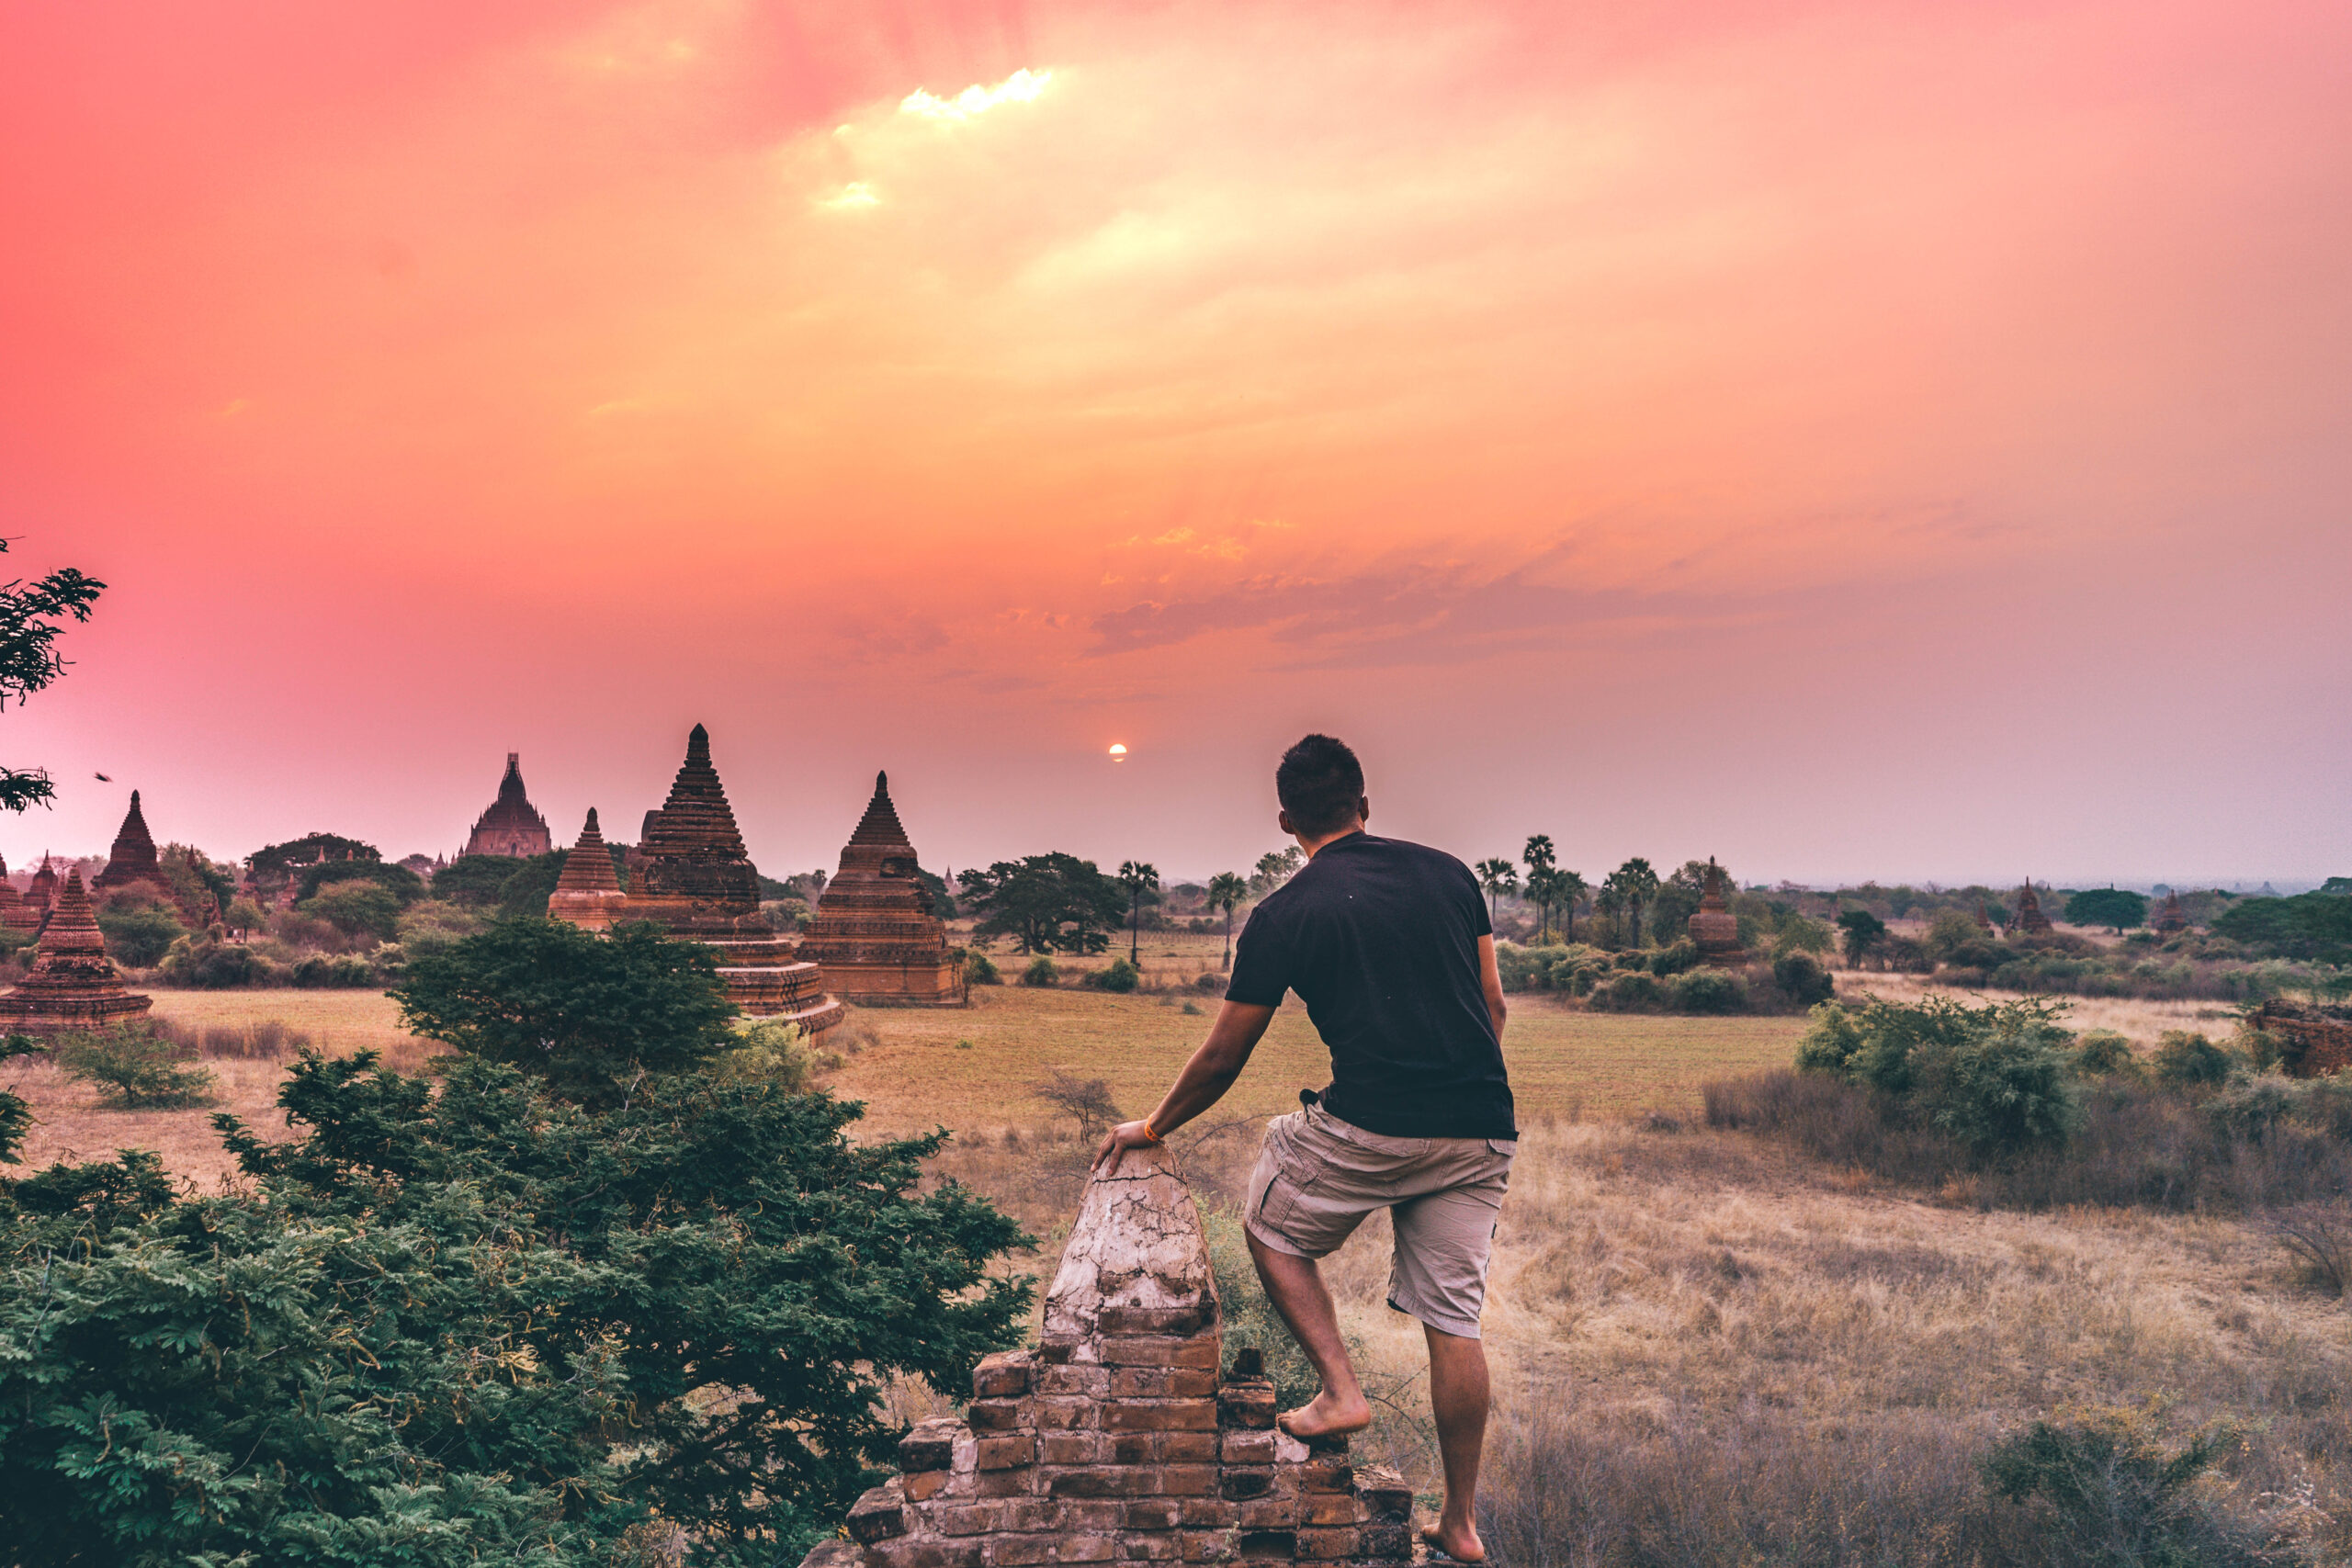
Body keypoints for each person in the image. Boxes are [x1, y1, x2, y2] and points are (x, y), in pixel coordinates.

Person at [1093, 734, 1514, 1563]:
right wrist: (1460, 1095)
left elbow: (1223, 1056)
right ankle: (1460, 1521)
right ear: (1365, 801)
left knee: (1269, 1222)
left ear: (1286, 819)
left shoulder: (1286, 913)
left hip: (1371, 1122)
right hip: (1481, 1125)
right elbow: (1493, 1004)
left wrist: (1153, 1125)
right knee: (1455, 1321)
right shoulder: (1451, 875)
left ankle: (1340, 1389)